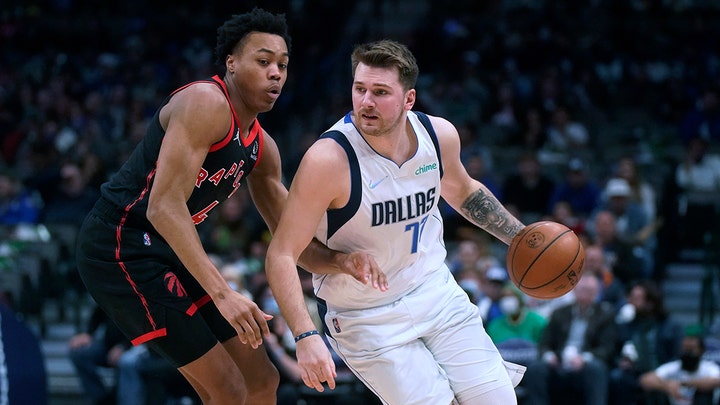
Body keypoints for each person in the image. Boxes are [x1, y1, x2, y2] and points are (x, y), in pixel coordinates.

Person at [75, 9, 382, 405]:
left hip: (167, 249)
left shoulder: (262, 148)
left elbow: (294, 244)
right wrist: (223, 293)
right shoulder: (204, 102)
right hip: (119, 245)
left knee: (262, 380)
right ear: (232, 63)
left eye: (282, 65)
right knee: (228, 388)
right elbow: (163, 207)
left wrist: (342, 261)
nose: (275, 73)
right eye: (263, 61)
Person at [265, 39, 528, 404]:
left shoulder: (438, 135)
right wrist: (305, 336)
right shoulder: (328, 161)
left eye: (380, 92)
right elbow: (281, 254)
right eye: (360, 89)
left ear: (409, 99)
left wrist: (522, 238)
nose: (366, 102)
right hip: (365, 315)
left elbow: (464, 191)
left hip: (435, 291)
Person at [522, 273, 618, 405]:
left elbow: (606, 348)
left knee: (596, 369)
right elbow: (544, 343)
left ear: (597, 292)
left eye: (590, 290)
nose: (585, 293)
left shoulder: (605, 315)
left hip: (586, 364)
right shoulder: (560, 313)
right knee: (536, 369)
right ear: (574, 290)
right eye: (582, 289)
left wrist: (583, 359)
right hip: (559, 362)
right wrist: (549, 356)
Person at [68, 305, 130, 405]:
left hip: (135, 347)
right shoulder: (109, 296)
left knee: (127, 361)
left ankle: (119, 399)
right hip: (107, 345)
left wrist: (124, 346)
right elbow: (98, 313)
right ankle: (101, 399)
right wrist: (88, 333)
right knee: (79, 354)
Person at [639, 331, 720, 405]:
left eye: (691, 349)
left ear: (701, 351)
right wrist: (666, 386)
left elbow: (716, 381)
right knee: (655, 392)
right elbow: (645, 380)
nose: (687, 353)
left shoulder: (709, 367)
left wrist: (683, 383)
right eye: (685, 349)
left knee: (704, 394)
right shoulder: (673, 366)